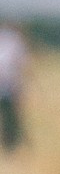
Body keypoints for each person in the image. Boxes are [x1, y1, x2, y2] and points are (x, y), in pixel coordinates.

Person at [0, 22, 29, 151]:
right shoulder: (16, 42)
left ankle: (10, 142)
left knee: (9, 115)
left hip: (9, 84)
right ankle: (10, 142)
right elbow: (22, 64)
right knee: (11, 115)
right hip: (10, 84)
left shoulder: (7, 41)